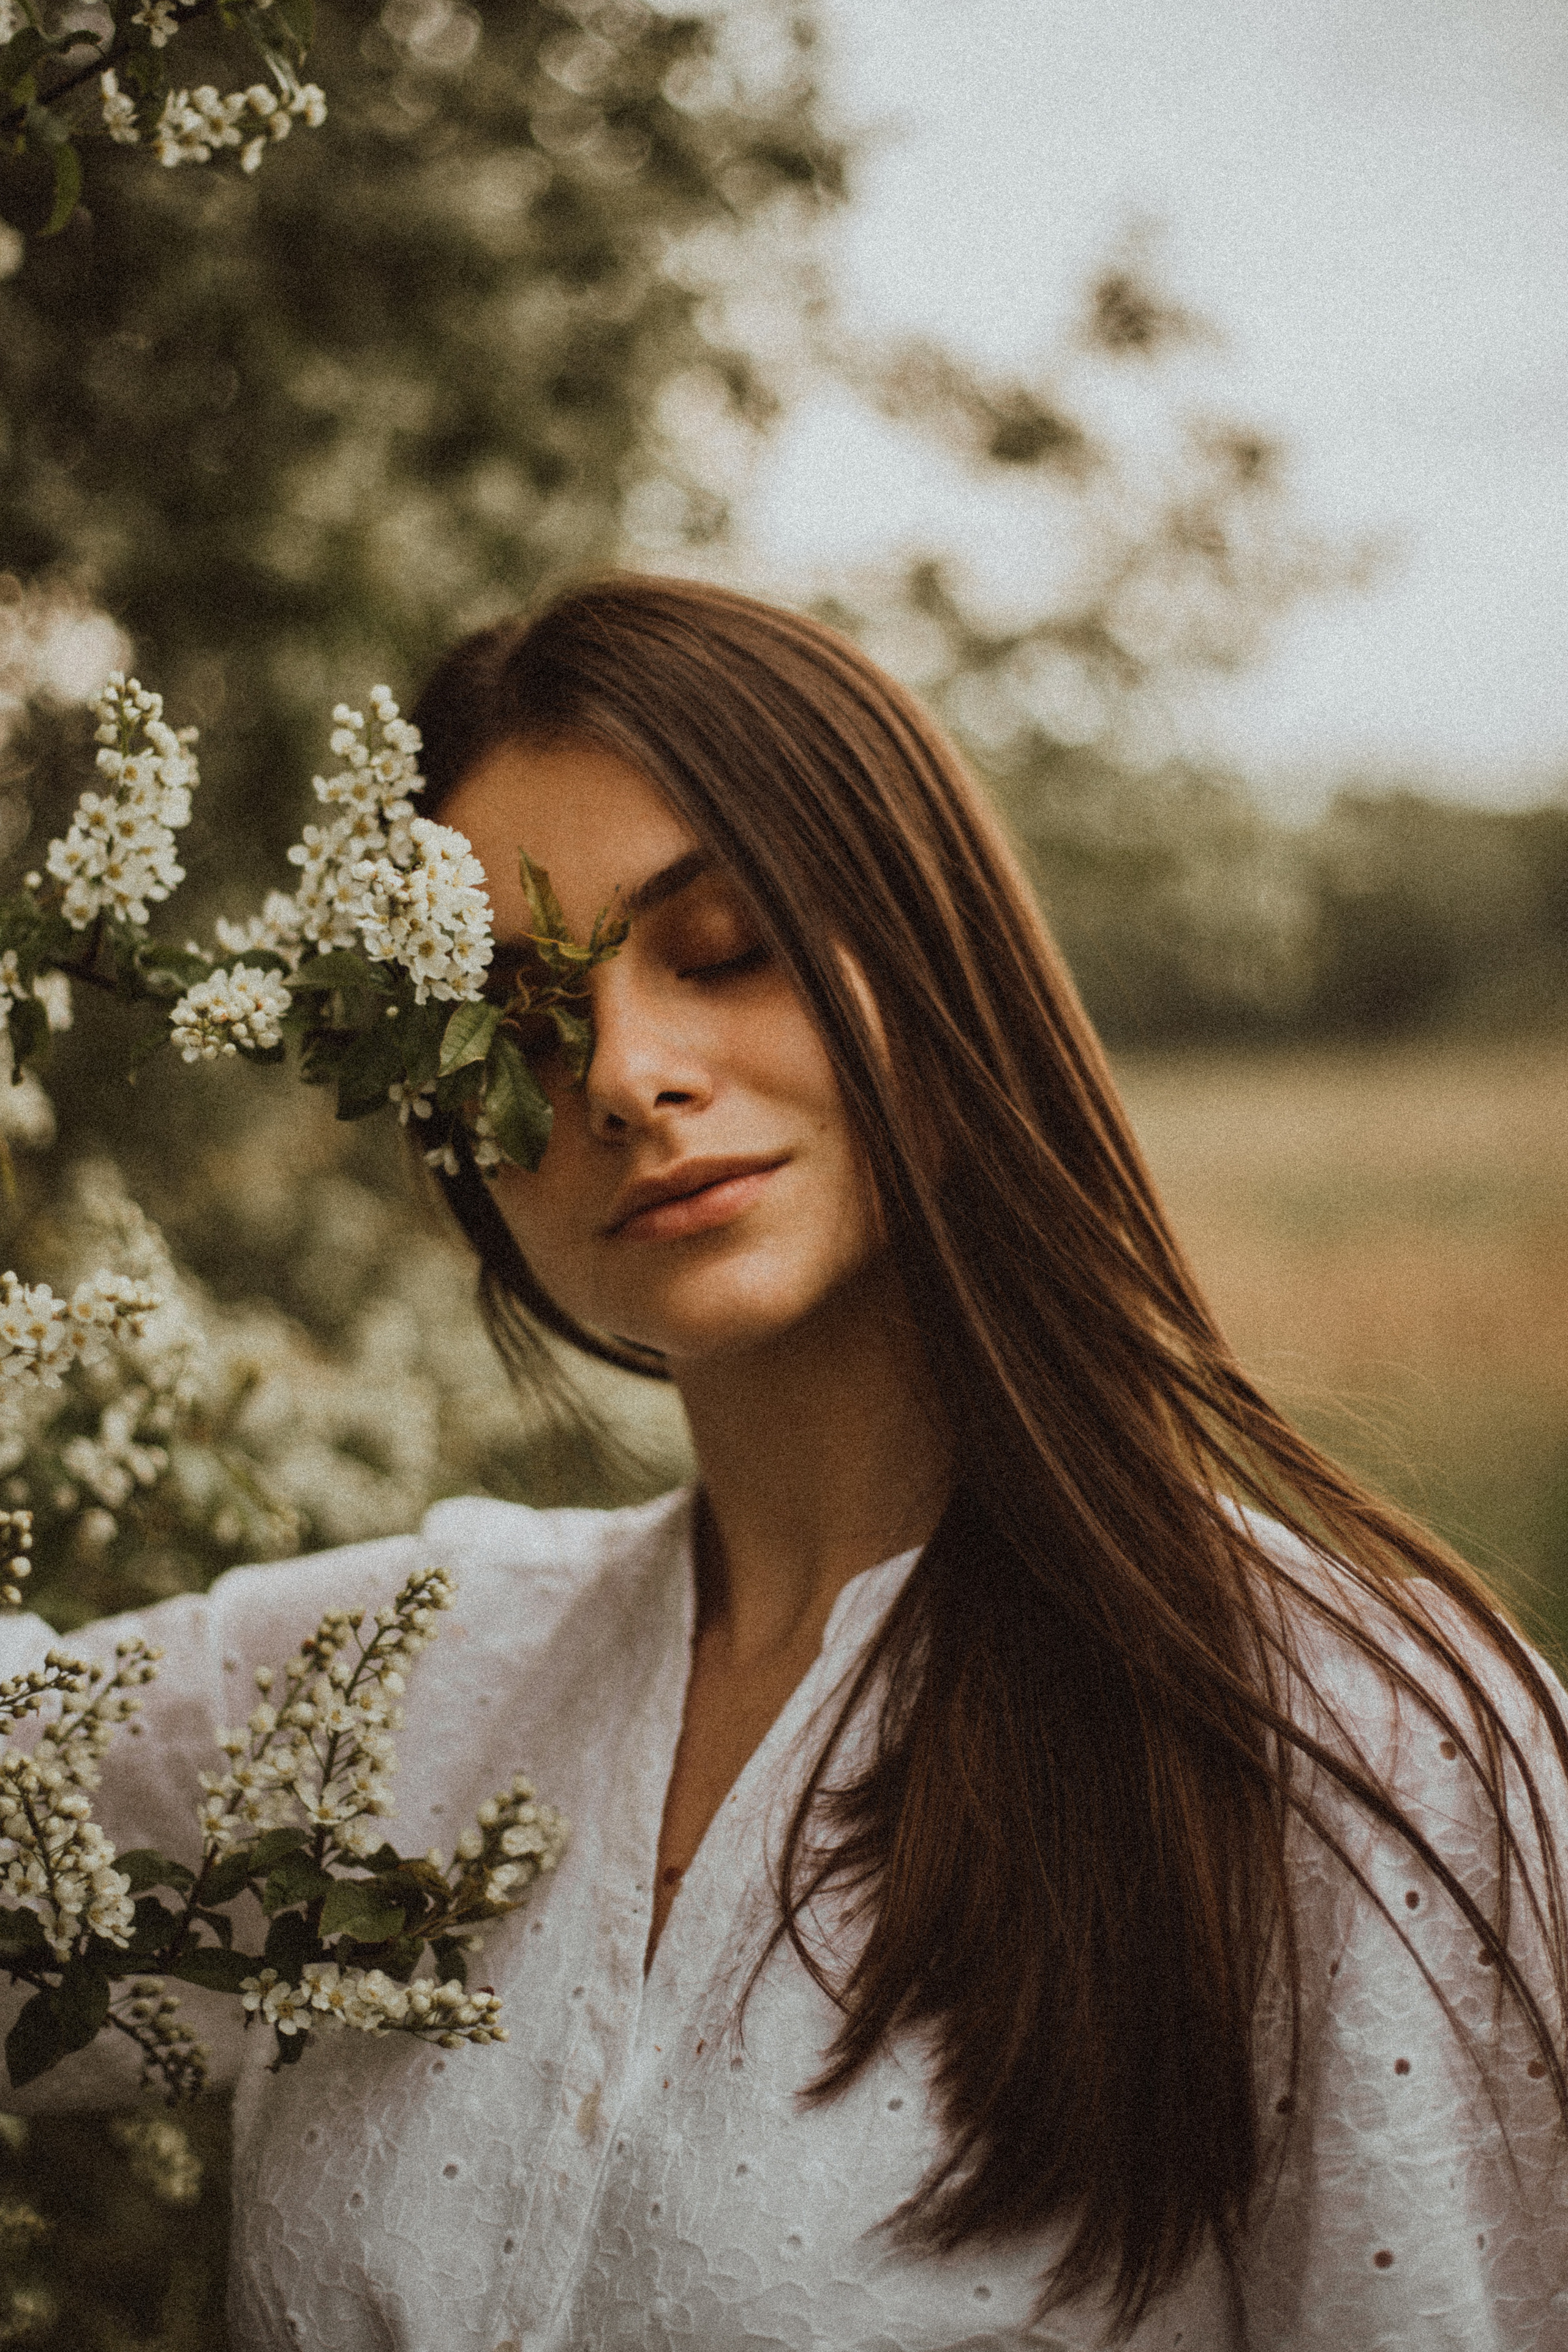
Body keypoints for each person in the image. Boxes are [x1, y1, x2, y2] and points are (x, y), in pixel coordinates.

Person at [4, 574, 1566, 2351]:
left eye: (728, 944)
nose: (623, 1072)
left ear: (928, 950)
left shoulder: (1349, 1753)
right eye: (506, 1017)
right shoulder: (384, 1695)